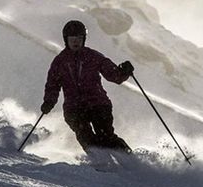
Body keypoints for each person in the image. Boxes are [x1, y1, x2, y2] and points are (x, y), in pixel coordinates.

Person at [41, 19, 134, 154]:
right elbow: (52, 85)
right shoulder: (59, 62)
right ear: (65, 39)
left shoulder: (93, 56)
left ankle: (131, 161)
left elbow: (113, 75)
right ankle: (101, 162)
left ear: (84, 39)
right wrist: (49, 101)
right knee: (85, 136)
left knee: (106, 137)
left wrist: (124, 71)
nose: (75, 41)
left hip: (98, 103)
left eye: (79, 38)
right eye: (72, 38)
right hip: (74, 107)